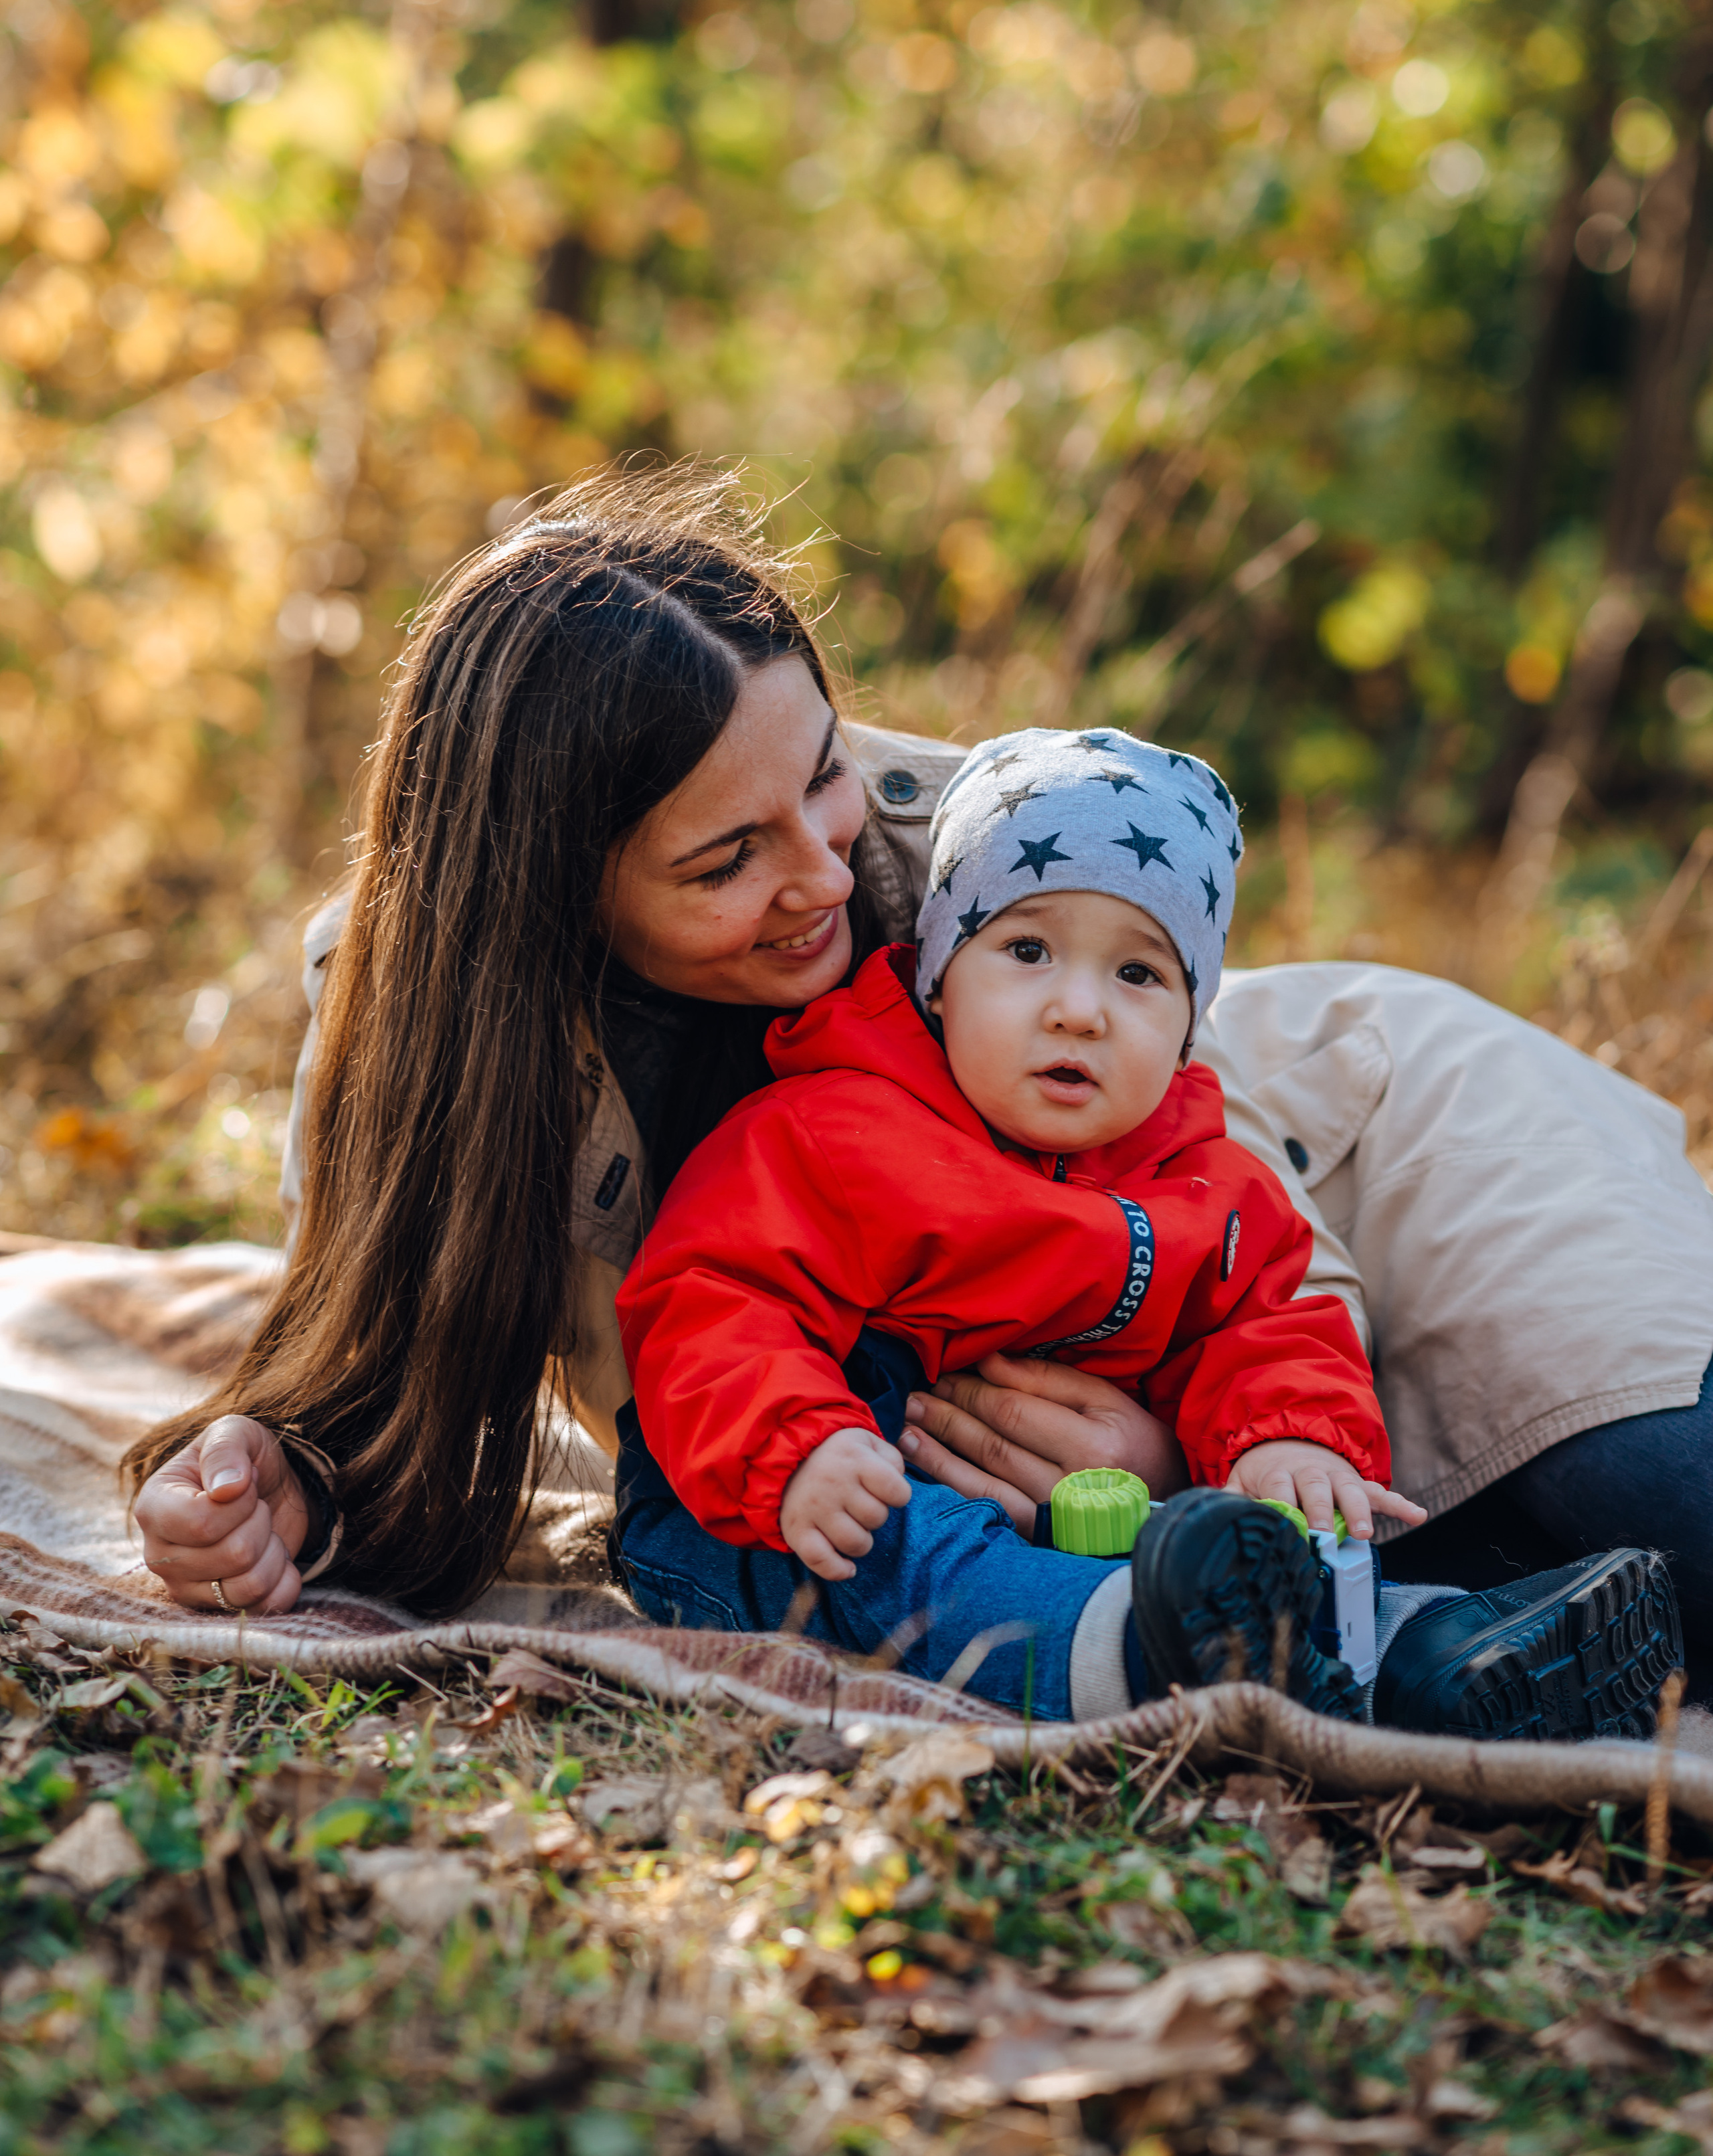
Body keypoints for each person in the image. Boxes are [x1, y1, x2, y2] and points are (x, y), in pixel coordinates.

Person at [120, 468, 1713, 1702]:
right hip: (1087, 1355)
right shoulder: (425, 1025)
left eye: (819, 775)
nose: (823, 872)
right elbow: (390, 1341)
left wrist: (1167, 1459)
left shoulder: (975, 846)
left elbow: (1226, 1203)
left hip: (1371, 1147)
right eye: (725, 858)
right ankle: (1440, 1653)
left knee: (1667, 1508)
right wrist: (287, 1476)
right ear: (551, 890)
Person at [612, 725, 1683, 1736]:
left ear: (1185, 1028)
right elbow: (711, 1294)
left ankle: (1425, 1649)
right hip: (808, 1477)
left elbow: (1272, 1318)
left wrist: (1289, 1437)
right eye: (1026, 949)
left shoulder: (1201, 1181)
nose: (1080, 1008)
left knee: (1282, 1549)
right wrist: (800, 1439)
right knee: (900, 1549)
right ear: (941, 980)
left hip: (1120, 1523)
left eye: (1138, 974)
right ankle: (1142, 1649)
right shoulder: (831, 1125)